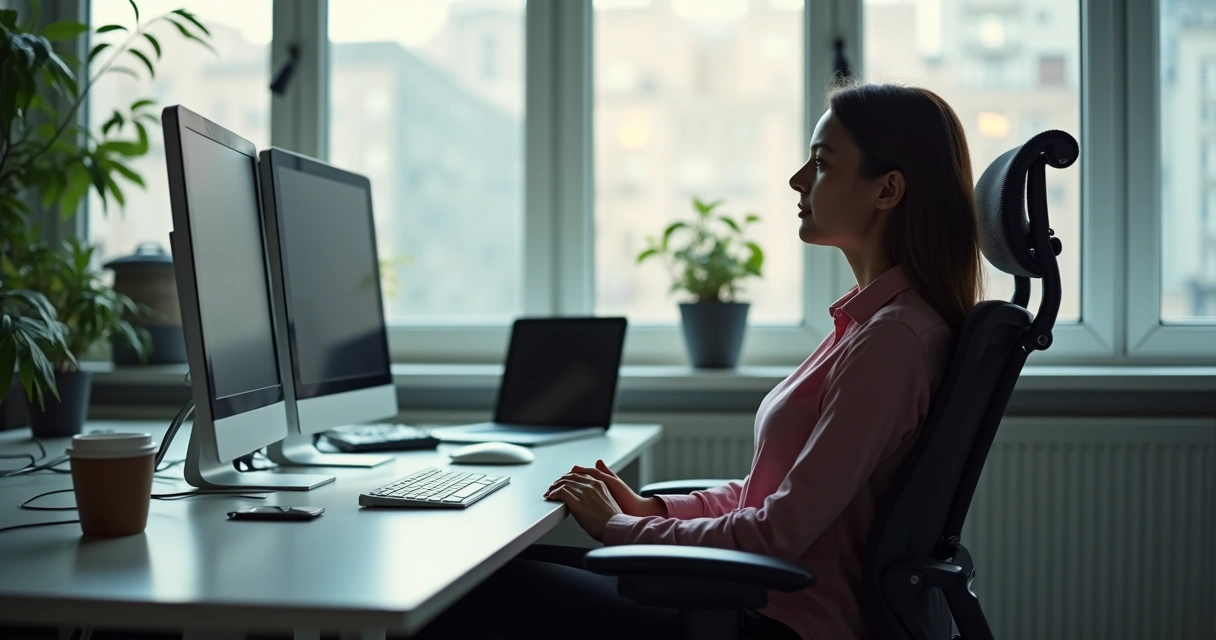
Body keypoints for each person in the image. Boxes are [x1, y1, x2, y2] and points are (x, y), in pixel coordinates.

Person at [417, 80, 983, 640]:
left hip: (784, 621)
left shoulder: (893, 340)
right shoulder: (872, 327)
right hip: (766, 600)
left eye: (822, 164)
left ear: (887, 190)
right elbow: (774, 495)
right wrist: (652, 509)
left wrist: (620, 528)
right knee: (481, 576)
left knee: (452, 593)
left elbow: (775, 535)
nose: (797, 179)